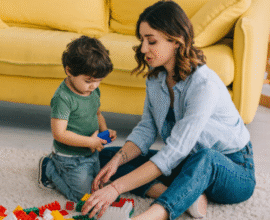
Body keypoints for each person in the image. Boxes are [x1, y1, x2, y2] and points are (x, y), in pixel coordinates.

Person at [81, 1, 256, 219]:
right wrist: (118, 160)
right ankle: (185, 194)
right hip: (186, 161)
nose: (144, 49)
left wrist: (116, 188)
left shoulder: (203, 85)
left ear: (176, 40)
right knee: (107, 157)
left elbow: (174, 151)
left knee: (206, 157)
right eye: (142, 40)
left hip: (232, 170)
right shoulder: (157, 78)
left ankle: (155, 213)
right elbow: (147, 129)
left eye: (151, 41)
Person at [38, 35, 117, 203]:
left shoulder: (93, 90)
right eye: (88, 80)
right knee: (81, 198)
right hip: (70, 158)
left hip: (91, 151)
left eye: (98, 81)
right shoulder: (63, 98)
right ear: (69, 71)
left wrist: (105, 132)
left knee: (97, 186)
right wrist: (90, 142)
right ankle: (49, 168)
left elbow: (97, 114)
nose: (94, 86)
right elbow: (59, 134)